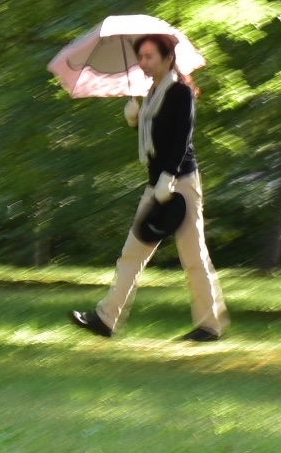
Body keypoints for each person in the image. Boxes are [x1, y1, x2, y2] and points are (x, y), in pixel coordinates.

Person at [70, 33, 228, 342]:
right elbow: (156, 139)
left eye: (149, 57)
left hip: (181, 184)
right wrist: (136, 119)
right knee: (131, 254)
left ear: (168, 58)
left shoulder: (180, 92)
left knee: (194, 257)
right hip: (156, 184)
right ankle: (105, 318)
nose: (143, 62)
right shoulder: (153, 92)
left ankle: (209, 326)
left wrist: (168, 178)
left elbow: (181, 139)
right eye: (140, 57)